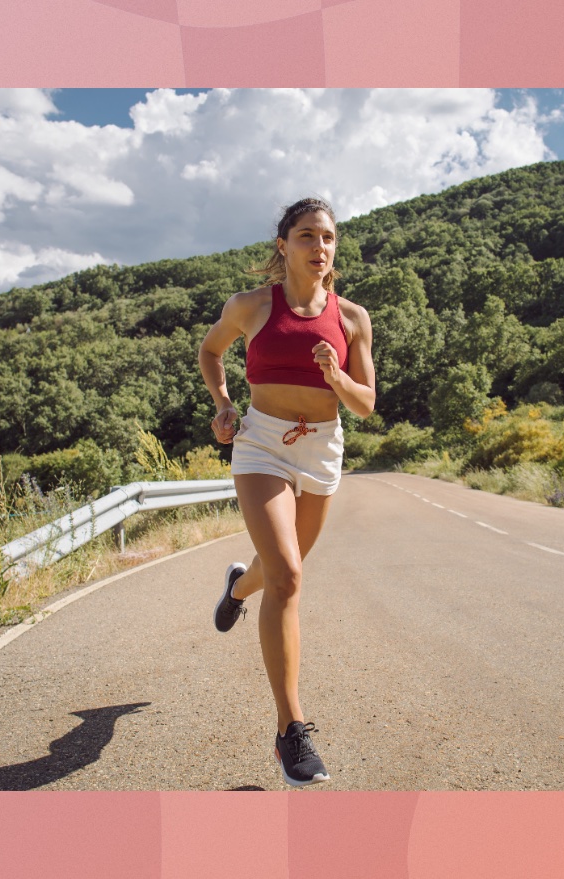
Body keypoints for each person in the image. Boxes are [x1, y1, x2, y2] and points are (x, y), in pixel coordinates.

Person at [198, 197, 376, 787]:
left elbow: (367, 404)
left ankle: (236, 587)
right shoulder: (250, 307)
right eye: (306, 236)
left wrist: (336, 375)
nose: (319, 247)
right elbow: (210, 352)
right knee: (290, 577)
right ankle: (290, 731)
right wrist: (224, 405)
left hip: (322, 446)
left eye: (327, 238)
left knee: (278, 571)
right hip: (262, 443)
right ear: (283, 245)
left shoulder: (352, 318)